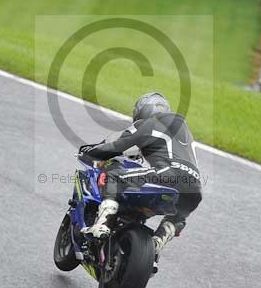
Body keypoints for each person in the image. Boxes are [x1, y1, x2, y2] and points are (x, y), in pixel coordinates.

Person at [79, 92, 203, 260]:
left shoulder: (149, 123)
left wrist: (91, 151)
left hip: (167, 175)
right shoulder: (185, 131)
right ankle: (156, 243)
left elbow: (117, 146)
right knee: (178, 215)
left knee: (115, 176)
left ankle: (102, 225)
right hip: (194, 188)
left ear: (143, 111)